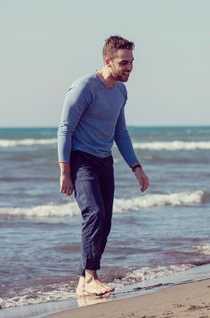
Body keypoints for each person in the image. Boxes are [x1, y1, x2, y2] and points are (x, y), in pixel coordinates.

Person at [57, 35, 149, 296]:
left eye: (131, 62)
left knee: (105, 221)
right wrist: (65, 171)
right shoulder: (84, 87)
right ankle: (89, 277)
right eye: (123, 63)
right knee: (94, 213)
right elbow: (65, 129)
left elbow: (120, 132)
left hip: (104, 161)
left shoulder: (121, 91)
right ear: (107, 61)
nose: (129, 67)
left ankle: (83, 282)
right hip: (80, 159)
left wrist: (136, 166)